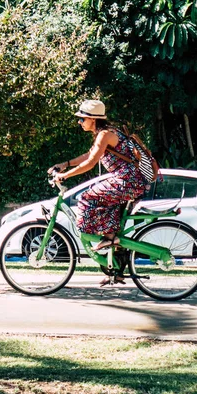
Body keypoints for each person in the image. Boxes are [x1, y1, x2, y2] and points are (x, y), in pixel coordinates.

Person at [48, 99, 150, 284]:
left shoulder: (105, 134)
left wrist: (65, 176)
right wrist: (65, 164)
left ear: (93, 119)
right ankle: (115, 270)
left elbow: (91, 162)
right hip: (127, 181)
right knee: (110, 214)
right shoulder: (106, 133)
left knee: (87, 197)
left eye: (82, 119)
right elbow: (89, 155)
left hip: (127, 181)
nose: (80, 122)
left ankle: (109, 238)